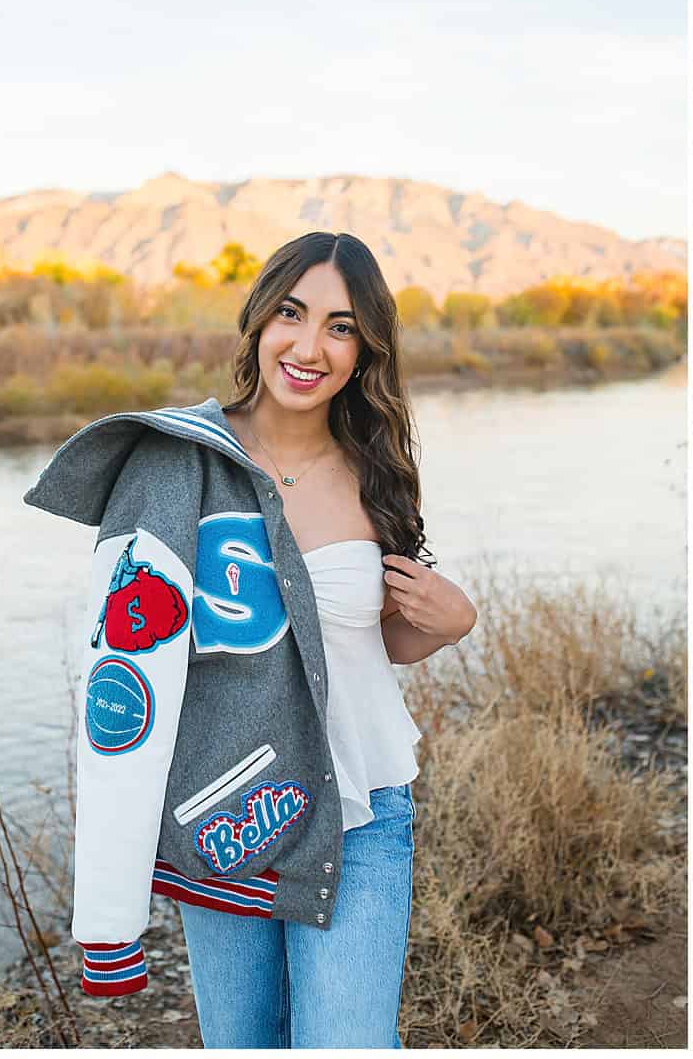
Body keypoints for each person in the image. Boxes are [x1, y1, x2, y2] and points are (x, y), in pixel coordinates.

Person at [25, 232, 476, 1047]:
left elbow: (357, 652)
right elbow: (123, 681)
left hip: (362, 811)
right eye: (292, 315)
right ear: (258, 321)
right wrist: (109, 899)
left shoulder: (376, 469)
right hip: (230, 808)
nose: (310, 347)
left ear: (366, 348)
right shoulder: (180, 466)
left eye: (341, 327)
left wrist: (445, 628)